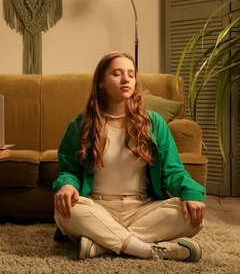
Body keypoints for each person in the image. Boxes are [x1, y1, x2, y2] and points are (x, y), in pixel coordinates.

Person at [53, 52, 206, 261]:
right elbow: (69, 170)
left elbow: (173, 170)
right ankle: (147, 250)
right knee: (65, 212)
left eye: (131, 74)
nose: (126, 79)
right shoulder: (81, 125)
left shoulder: (154, 123)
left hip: (143, 209)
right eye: (117, 74)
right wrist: (67, 186)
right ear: (100, 82)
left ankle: (102, 244)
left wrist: (192, 192)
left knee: (191, 215)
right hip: (98, 207)